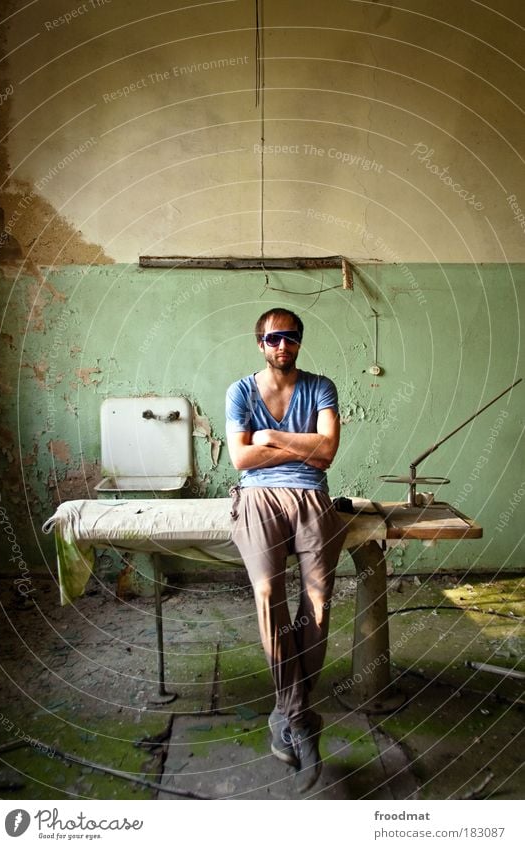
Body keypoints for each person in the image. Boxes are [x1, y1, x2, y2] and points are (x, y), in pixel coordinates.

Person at [225, 307, 347, 792]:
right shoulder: (241, 390)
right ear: (260, 343)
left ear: (299, 342)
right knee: (268, 595)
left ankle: (286, 713)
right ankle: (300, 719)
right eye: (274, 338)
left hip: (312, 495)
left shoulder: (321, 387)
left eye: (291, 338)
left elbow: (329, 451)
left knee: (317, 605)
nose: (283, 346)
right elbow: (240, 457)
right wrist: (305, 444)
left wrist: (271, 435)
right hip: (257, 496)